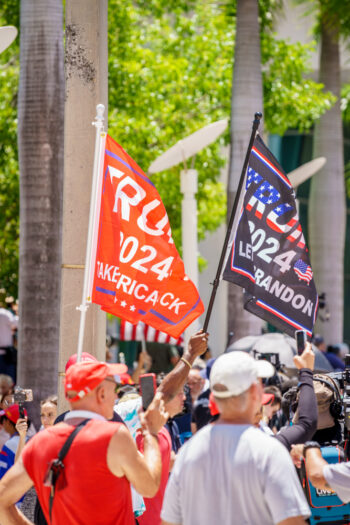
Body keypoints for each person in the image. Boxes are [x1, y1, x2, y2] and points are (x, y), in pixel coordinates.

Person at [0, 360, 168, 525]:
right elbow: (150, 486)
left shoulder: (40, 442)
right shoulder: (114, 437)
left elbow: (2, 500)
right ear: (101, 394)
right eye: (115, 388)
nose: (117, 395)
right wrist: (151, 432)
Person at [161, 351, 311, 525]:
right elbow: (292, 521)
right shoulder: (268, 452)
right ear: (255, 391)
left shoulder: (187, 453)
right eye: (260, 383)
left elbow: (168, 522)